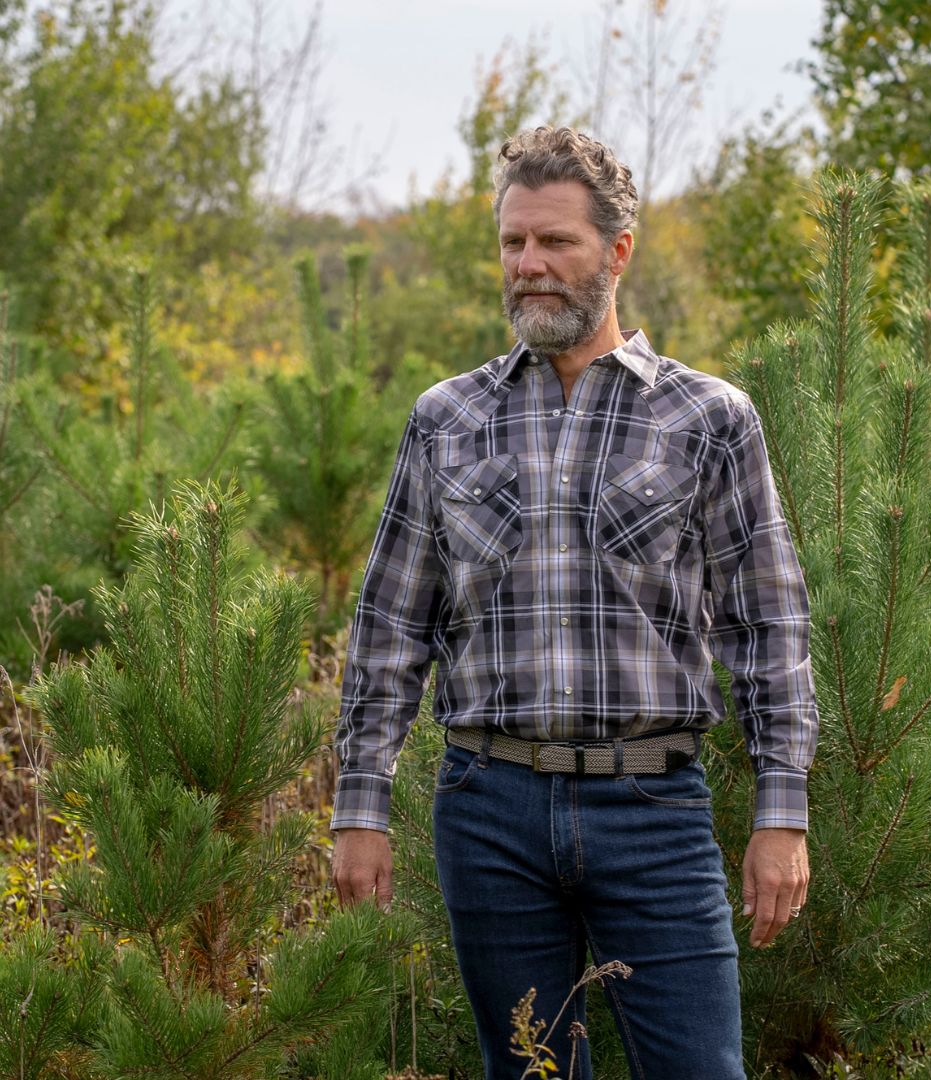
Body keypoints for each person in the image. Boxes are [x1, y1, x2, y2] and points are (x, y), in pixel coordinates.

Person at [331, 126, 819, 1080]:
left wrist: (782, 811)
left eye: (556, 242)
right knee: (529, 1072)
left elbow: (771, 627)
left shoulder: (709, 419)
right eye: (514, 243)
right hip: (488, 808)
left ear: (617, 252)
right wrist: (361, 802)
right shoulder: (447, 420)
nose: (530, 265)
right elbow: (391, 625)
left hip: (654, 809)